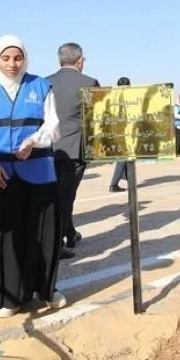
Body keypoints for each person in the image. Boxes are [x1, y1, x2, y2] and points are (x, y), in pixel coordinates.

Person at [0, 35, 65, 317]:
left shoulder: (41, 86)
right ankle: (7, 298)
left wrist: (35, 140)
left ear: (25, 58)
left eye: (17, 58)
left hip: (38, 171)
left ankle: (45, 290)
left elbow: (53, 126)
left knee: (40, 233)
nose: (12, 64)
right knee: (3, 237)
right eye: (6, 58)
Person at [47, 43, 100, 259]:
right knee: (66, 196)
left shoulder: (44, 83)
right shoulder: (88, 83)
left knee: (55, 194)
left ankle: (69, 232)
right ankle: (57, 242)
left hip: (47, 148)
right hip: (74, 149)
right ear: (80, 61)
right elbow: (96, 117)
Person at [109, 76, 131, 192]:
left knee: (125, 156)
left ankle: (128, 178)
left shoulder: (113, 96)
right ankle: (114, 184)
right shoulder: (125, 98)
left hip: (114, 130)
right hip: (122, 130)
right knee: (123, 157)